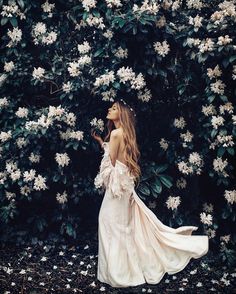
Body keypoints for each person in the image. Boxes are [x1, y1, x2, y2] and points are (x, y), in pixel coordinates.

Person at [91, 99, 209, 288]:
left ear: (121, 114)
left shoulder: (114, 134)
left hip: (117, 187)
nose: (109, 109)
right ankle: (123, 270)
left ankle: (117, 273)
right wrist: (102, 143)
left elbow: (111, 162)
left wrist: (104, 159)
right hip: (125, 187)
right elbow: (120, 158)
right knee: (121, 227)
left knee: (108, 223)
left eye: (114, 108)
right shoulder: (125, 134)